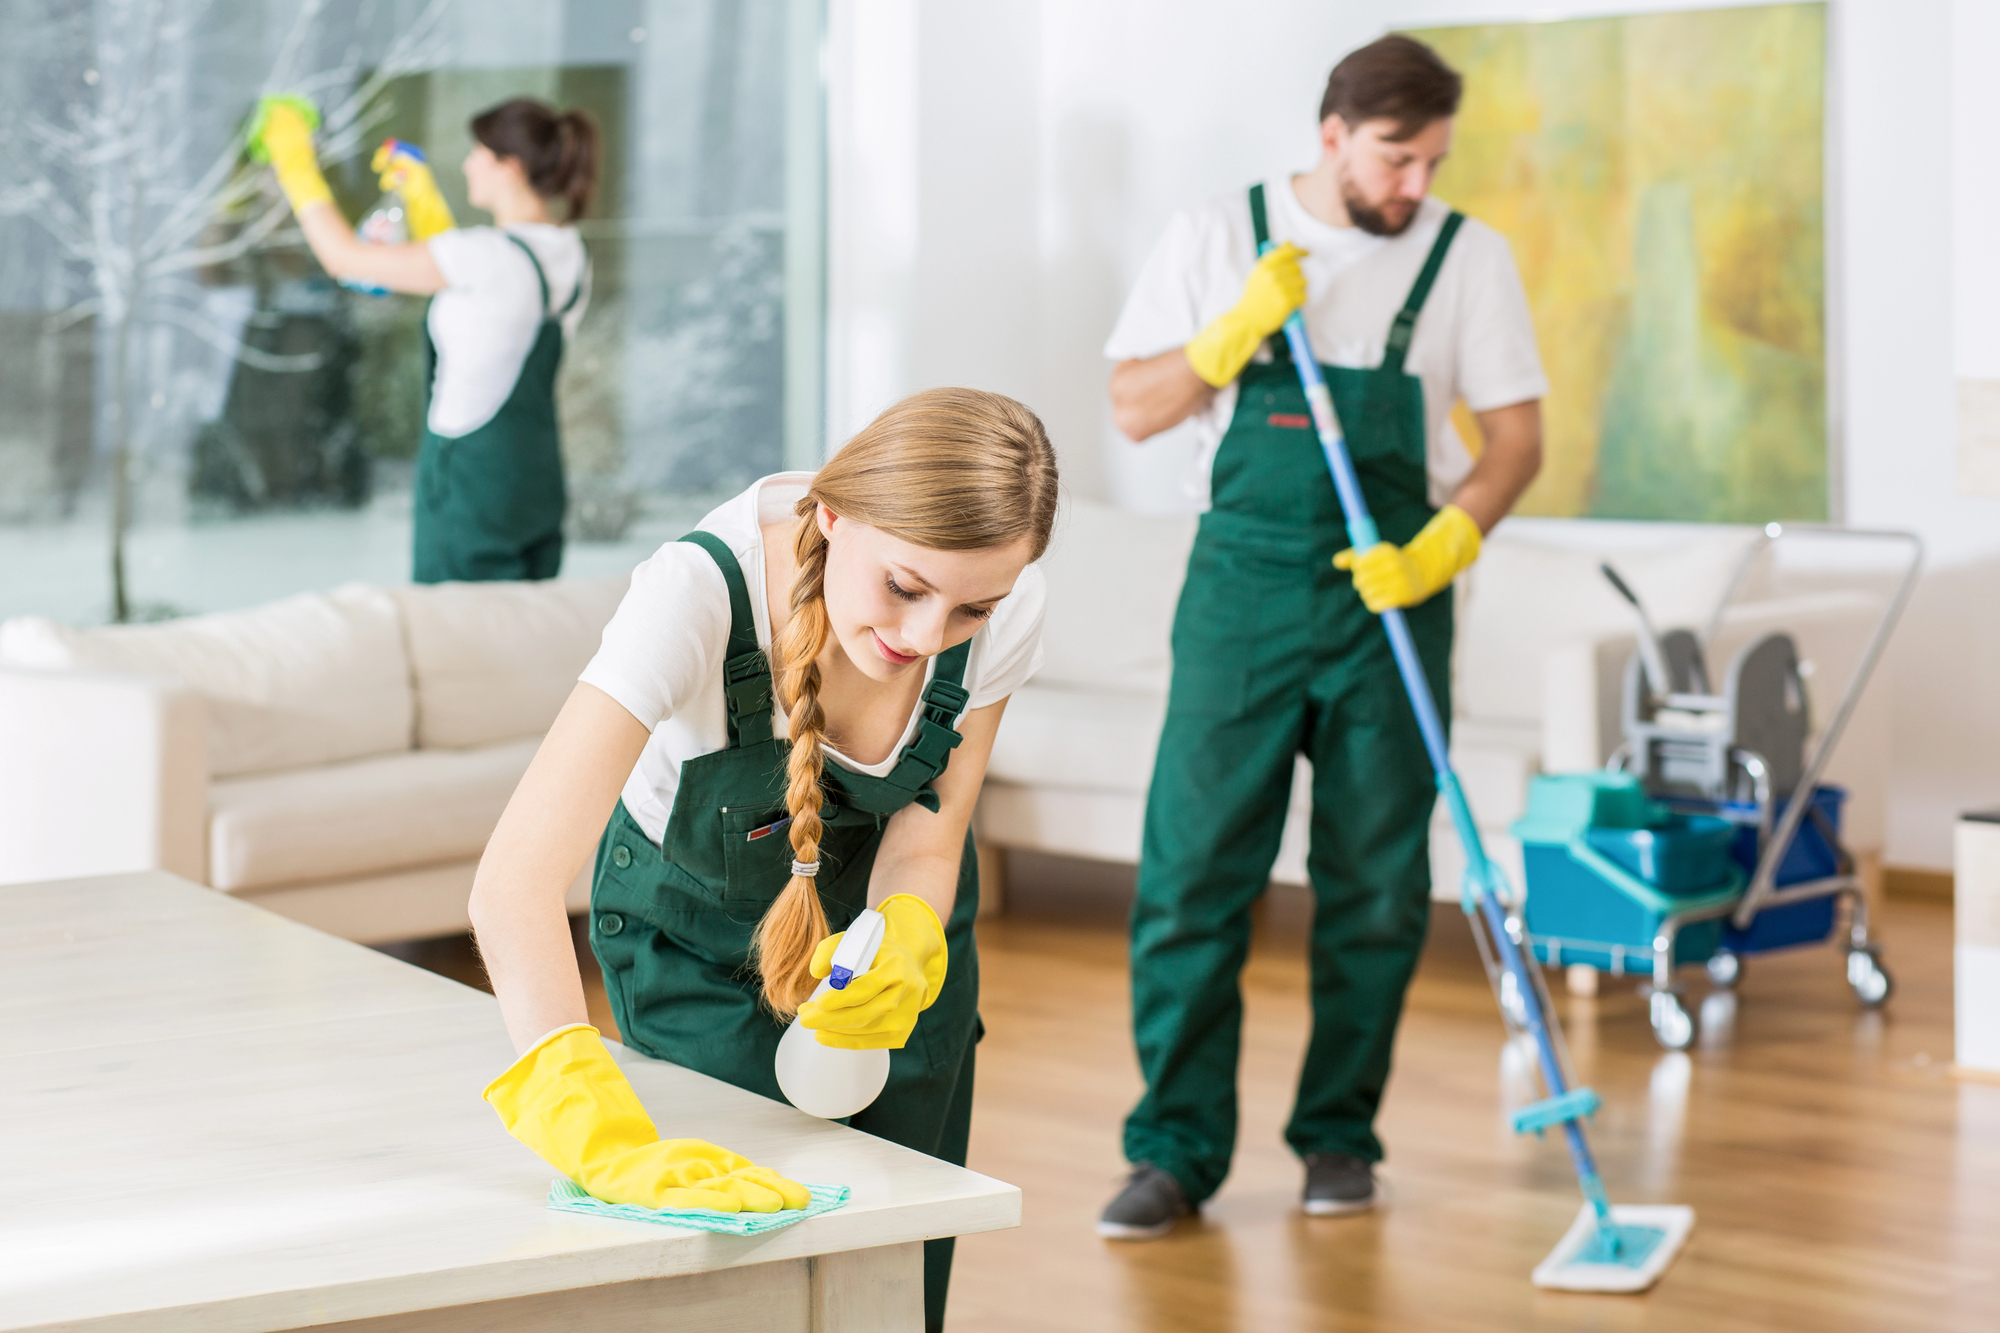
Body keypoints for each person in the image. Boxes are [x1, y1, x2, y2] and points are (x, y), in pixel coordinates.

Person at [467, 388, 1058, 1332]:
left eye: (969, 609)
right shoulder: (698, 591)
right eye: (904, 586)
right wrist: (590, 1129)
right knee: (745, 1274)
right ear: (832, 512)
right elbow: (512, 887)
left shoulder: (1003, 604)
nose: (922, 639)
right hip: (699, 935)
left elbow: (931, 826)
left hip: (888, 954)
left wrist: (909, 921)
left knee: (893, 1262)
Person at [1096, 34, 1547, 1238]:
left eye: (1430, 161)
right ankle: (1174, 1153)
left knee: (1378, 886)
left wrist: (1444, 543)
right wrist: (1224, 336)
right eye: (1395, 158)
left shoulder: (1464, 258)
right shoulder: (1214, 235)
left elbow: (1514, 440)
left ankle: (1337, 1138)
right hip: (1238, 594)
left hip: (1390, 601)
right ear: (1332, 135)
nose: (1412, 186)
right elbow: (1132, 408)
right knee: (1192, 876)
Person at [250, 95, 598, 583]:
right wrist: (420, 199)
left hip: (469, 481)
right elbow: (489, 302)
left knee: (456, 634)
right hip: (534, 478)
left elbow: (343, 258)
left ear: (511, 167)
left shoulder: (485, 256)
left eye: (479, 153)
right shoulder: (568, 251)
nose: (468, 163)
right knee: (521, 629)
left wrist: (295, 164)